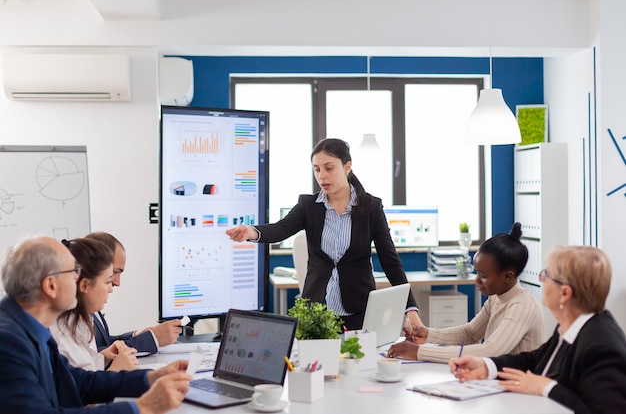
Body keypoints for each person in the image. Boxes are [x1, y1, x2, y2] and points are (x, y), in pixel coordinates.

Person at [226, 138, 421, 330]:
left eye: (329, 168)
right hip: (316, 313)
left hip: (359, 311)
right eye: (316, 169)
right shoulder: (309, 206)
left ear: (347, 167)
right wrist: (250, 232)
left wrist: (410, 310)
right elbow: (281, 229)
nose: (322, 176)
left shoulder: (370, 207)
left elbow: (390, 259)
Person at [0, 235, 191, 413]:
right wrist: (143, 407)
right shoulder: (8, 343)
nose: (78, 277)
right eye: (73, 271)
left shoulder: (30, 328)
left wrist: (150, 378)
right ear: (51, 285)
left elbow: (77, 381)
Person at [450, 245, 626, 414]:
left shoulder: (601, 347)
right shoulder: (571, 326)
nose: (541, 280)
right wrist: (486, 366)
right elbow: (535, 360)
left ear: (565, 293)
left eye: (547, 275)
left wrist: (547, 387)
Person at [387, 222, 544, 363]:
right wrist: (428, 334)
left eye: (483, 275)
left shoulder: (523, 304)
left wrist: (420, 352)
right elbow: (470, 333)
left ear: (507, 276)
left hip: (519, 390)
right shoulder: (496, 298)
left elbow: (491, 351)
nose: (476, 280)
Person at [50, 237, 138, 371]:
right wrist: (115, 370)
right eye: (107, 282)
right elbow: (80, 387)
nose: (111, 288)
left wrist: (102, 358)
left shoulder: (81, 320)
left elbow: (82, 369)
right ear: (85, 285)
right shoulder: (61, 333)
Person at [85, 231, 181, 354]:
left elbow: (105, 343)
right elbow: (92, 356)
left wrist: (136, 335)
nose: (117, 282)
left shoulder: (92, 305)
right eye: (114, 272)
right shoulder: (73, 313)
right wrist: (154, 338)